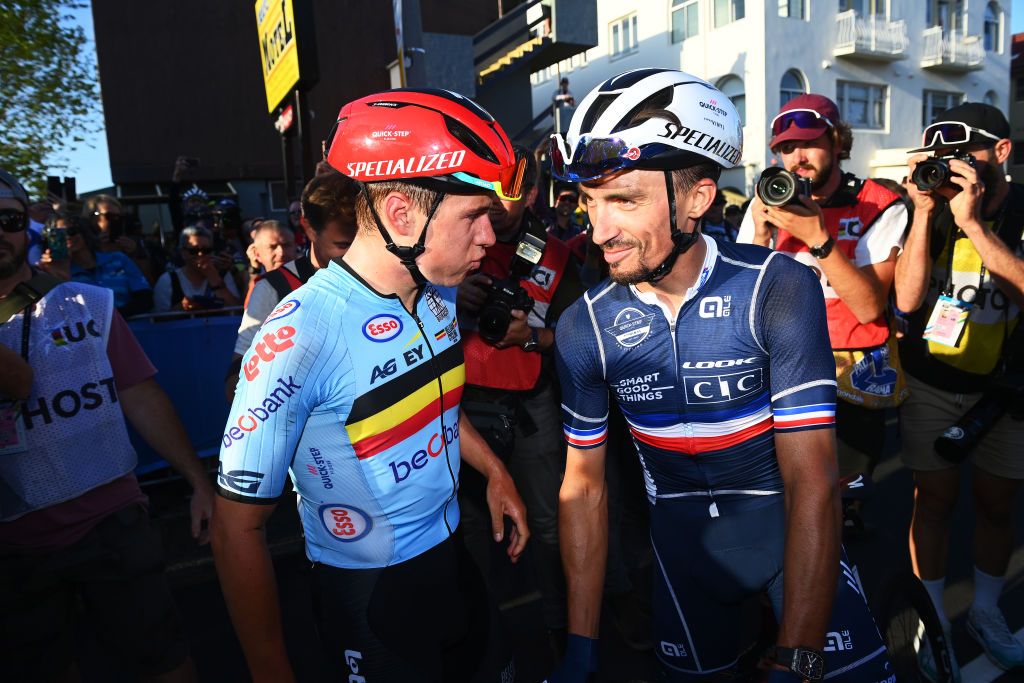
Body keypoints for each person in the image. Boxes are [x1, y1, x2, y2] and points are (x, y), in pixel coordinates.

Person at [548, 69, 890, 682]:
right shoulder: (583, 325)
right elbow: (585, 488)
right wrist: (581, 644)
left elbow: (813, 475)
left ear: (699, 199)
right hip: (682, 563)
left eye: (624, 199)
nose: (598, 231)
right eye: (588, 202)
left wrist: (800, 657)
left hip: (791, 541)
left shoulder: (776, 287)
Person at [212, 87, 530, 683]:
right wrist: (269, 669)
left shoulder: (436, 292)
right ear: (402, 214)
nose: (490, 238)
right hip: (370, 596)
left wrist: (494, 470)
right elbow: (237, 528)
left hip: (454, 557)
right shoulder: (300, 333)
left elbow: (430, 400)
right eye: (474, 217)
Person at [0, 168, 214, 682]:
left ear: (25, 223)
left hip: (110, 522)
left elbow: (140, 394)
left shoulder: (85, 302)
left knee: (161, 659)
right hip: (12, 544)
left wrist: (198, 483)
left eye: (5, 218)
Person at [895, 103, 1024, 677]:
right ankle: (932, 617)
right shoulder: (932, 206)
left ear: (1001, 152)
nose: (950, 170)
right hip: (933, 380)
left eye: (962, 156)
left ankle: (987, 610)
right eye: (940, 159)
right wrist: (924, 213)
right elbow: (904, 301)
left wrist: (974, 224)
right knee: (934, 501)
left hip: (1009, 387)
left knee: (997, 504)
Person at [738, 94, 908, 479]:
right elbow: (742, 296)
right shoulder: (763, 203)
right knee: (788, 482)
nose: (797, 157)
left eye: (809, 142)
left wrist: (819, 238)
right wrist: (762, 232)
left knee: (846, 489)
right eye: (786, 148)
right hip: (784, 358)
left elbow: (869, 306)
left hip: (854, 366)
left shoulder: (879, 204)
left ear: (837, 142)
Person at [457, 145, 584, 654]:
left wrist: (527, 338)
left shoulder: (557, 255)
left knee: (550, 524)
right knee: (468, 529)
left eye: (504, 192)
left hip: (532, 407)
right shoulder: (455, 238)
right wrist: (452, 297)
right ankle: (482, 637)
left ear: (530, 193)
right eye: (485, 189)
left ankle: (565, 629)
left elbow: (577, 337)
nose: (490, 203)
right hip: (462, 407)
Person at [226, 169, 359, 402]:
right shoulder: (273, 288)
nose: (355, 255)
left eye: (362, 242)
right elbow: (233, 387)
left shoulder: (380, 273)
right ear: (308, 228)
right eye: (342, 245)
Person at [153, 225, 242, 313]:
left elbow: (237, 311)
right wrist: (180, 308)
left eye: (206, 250)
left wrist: (214, 279)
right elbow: (159, 321)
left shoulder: (223, 276)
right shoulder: (168, 280)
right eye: (194, 251)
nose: (200, 254)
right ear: (183, 253)